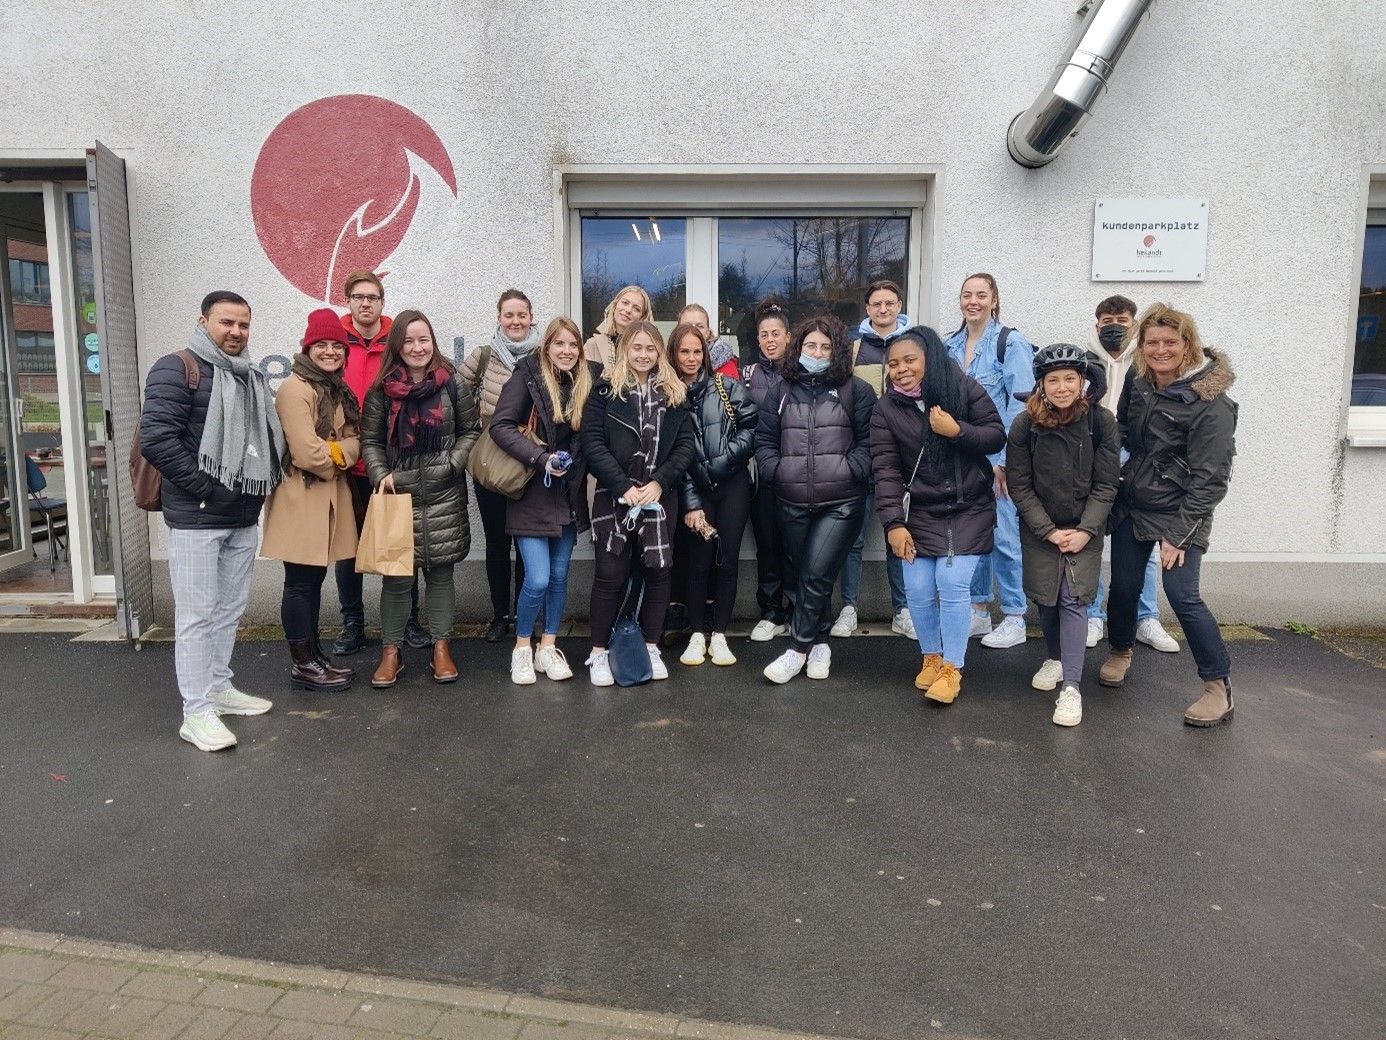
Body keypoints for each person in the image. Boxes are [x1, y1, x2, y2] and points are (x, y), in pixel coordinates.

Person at [139, 291, 285, 751]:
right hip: (197, 518)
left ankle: (219, 687)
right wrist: (207, 487)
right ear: (204, 322)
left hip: (242, 515)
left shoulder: (249, 375)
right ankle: (196, 711)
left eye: (243, 324)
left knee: (228, 610)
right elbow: (157, 439)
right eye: (226, 322)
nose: (236, 332)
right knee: (196, 616)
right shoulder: (175, 368)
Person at [1100, 304, 1238, 727]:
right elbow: (1123, 429)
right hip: (1134, 503)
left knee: (1183, 596)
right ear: (1141, 346)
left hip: (1182, 511)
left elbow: (1211, 481)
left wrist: (1179, 535)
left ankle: (1217, 687)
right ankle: (1120, 650)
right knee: (1124, 587)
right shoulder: (1139, 381)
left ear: (1187, 344)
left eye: (1170, 342)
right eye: (1152, 342)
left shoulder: (1210, 402)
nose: (1160, 350)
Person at [871, 327, 1004, 705]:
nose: (901, 369)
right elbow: (885, 470)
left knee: (952, 582)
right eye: (893, 364)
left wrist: (956, 430)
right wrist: (893, 524)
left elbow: (996, 435)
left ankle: (952, 668)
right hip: (921, 512)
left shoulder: (963, 388)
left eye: (910, 360)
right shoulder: (886, 409)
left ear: (929, 358)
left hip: (969, 507)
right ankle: (931, 657)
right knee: (917, 587)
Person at [361, 310, 480, 688]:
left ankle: (441, 647)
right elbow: (370, 442)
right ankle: (391, 652)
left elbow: (471, 430)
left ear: (433, 342)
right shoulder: (381, 390)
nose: (417, 348)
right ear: (397, 345)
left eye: (423, 339)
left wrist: (452, 464)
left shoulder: (452, 384)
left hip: (444, 494)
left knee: (441, 576)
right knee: (397, 580)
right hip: (399, 498)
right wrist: (381, 474)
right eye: (409, 341)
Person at [1005, 343, 1120, 727]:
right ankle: (1054, 658)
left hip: (1085, 527)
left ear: (1082, 380)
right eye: (1053, 380)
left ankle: (1071, 687)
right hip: (1041, 528)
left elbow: (1106, 485)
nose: (1062, 387)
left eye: (1070, 379)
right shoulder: (1024, 426)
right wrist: (1049, 531)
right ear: (1041, 383)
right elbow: (1020, 486)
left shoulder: (1101, 422)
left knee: (1073, 599)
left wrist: (1086, 530)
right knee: (1047, 599)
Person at [756, 315, 875, 684]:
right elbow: (764, 441)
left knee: (816, 573)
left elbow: (870, 443)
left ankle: (797, 649)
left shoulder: (857, 390)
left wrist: (850, 470)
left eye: (826, 347)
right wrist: (777, 472)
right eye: (811, 345)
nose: (818, 353)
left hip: (841, 502)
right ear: (799, 347)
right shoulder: (781, 390)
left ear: (838, 351)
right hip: (790, 498)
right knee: (803, 575)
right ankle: (820, 643)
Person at [580, 321, 696, 686]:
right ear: (625, 349)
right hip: (614, 497)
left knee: (658, 573)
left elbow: (685, 446)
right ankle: (599, 653)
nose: (643, 355)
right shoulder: (604, 391)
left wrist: (660, 482)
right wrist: (621, 486)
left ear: (659, 352)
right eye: (637, 347)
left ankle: (650, 647)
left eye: (650, 349)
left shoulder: (675, 393)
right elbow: (592, 443)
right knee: (609, 575)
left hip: (659, 499)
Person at [490, 317, 599, 685]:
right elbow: (501, 426)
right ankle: (522, 647)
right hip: (532, 493)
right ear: (547, 346)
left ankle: (548, 646)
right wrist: (540, 458)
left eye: (573, 345)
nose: (566, 351)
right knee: (536, 578)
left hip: (568, 495)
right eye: (559, 344)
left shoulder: (587, 380)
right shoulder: (527, 376)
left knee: (558, 577)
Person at [261, 309, 362, 693]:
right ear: (307, 348)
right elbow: (307, 454)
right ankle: (303, 665)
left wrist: (337, 450)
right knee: (300, 584)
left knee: (313, 580)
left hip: (323, 497)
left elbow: (355, 440)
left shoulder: (334, 388)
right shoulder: (295, 388)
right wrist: (338, 454)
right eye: (322, 344)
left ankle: (314, 655)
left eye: (337, 345)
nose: (330, 351)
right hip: (301, 498)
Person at [331, 271, 428, 656]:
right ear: (348, 301)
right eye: (358, 297)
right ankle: (352, 623)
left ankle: (409, 621)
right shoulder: (335, 343)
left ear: (382, 302)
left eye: (372, 297)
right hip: (349, 464)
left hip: (394, 462)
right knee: (348, 548)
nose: (365, 303)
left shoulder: (397, 341)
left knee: (402, 543)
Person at [1083, 295, 1180, 653]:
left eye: (1122, 320)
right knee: (1090, 538)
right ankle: (1093, 615)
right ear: (1096, 325)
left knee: (1144, 542)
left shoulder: (1147, 364)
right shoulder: (1083, 362)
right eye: (1107, 321)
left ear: (1134, 324)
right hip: (1093, 460)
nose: (1114, 327)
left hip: (1138, 464)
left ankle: (1146, 617)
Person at [944, 272, 1036, 649]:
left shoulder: (1010, 343)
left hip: (998, 459)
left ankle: (1014, 616)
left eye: (981, 295)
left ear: (994, 300)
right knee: (973, 537)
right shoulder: (950, 346)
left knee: (1005, 537)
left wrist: (1005, 461)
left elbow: (1021, 405)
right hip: (962, 459)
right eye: (967, 294)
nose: (973, 301)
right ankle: (979, 610)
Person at [668, 323, 758, 667]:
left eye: (697, 351)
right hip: (694, 490)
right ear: (673, 354)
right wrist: (691, 501)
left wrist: (722, 462)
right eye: (684, 351)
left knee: (727, 560)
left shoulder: (726, 386)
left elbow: (752, 429)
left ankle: (719, 634)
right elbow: (674, 458)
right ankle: (696, 634)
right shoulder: (667, 396)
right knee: (698, 561)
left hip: (732, 485)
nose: (691, 358)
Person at [834, 279, 912, 640]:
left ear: (899, 306)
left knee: (900, 536)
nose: (883, 309)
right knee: (852, 538)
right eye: (876, 303)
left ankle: (903, 610)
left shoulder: (914, 344)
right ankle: (849, 608)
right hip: (861, 455)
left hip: (901, 459)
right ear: (867, 309)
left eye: (889, 303)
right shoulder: (852, 348)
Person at [461, 289, 538, 642]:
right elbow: (456, 399)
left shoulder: (544, 356)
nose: (515, 321)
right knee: (496, 542)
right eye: (509, 315)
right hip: (490, 463)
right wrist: (470, 443)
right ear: (499, 318)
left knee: (526, 542)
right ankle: (499, 615)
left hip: (529, 462)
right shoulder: (483, 356)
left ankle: (523, 614)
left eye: (521, 315)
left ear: (531, 317)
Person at [743, 302, 792, 641]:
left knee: (799, 544)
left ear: (788, 337)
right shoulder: (748, 375)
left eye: (776, 333)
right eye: (764, 335)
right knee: (768, 543)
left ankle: (800, 611)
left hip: (800, 472)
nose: (770, 340)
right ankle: (771, 612)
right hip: (763, 472)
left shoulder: (802, 373)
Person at [583, 285, 655, 371]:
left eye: (636, 309)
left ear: (642, 317)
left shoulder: (650, 351)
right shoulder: (592, 345)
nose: (628, 310)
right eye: (625, 303)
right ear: (615, 305)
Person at [678, 303, 740, 379]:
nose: (693, 330)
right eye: (687, 326)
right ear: (677, 330)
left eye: (700, 326)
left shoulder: (726, 365)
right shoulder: (668, 362)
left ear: (708, 332)